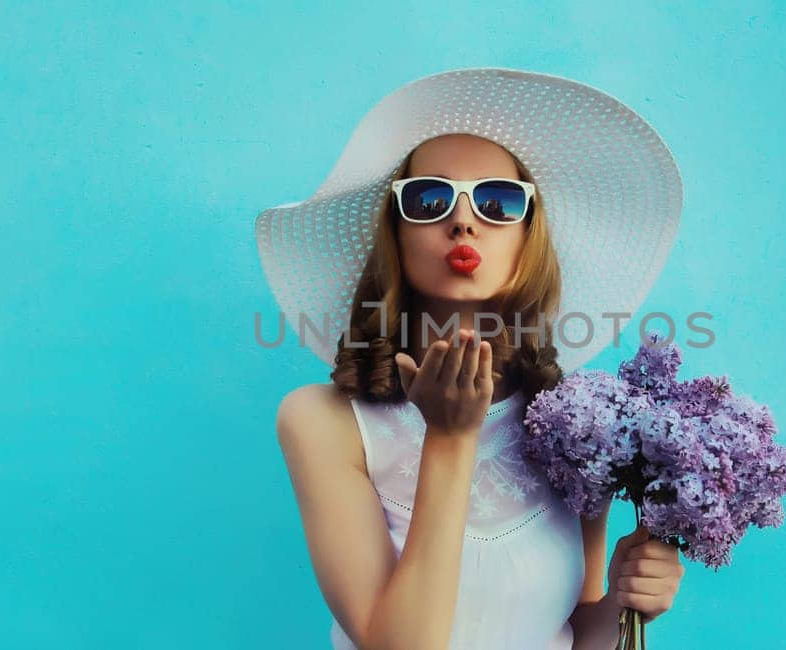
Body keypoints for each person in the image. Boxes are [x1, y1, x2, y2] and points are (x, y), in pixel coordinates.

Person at [257, 67, 687, 649]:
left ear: (527, 236)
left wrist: (623, 602)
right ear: (395, 232)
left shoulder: (578, 423)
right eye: (429, 199)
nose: (464, 221)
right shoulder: (322, 422)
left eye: (498, 201)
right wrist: (450, 439)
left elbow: (573, 632)